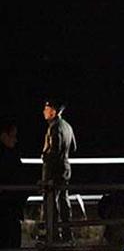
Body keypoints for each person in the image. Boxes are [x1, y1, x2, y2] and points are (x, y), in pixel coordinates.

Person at [41, 99, 76, 241]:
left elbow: (54, 151)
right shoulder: (68, 126)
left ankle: (53, 234)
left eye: (46, 109)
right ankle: (67, 233)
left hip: (54, 169)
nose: (44, 111)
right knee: (63, 200)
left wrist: (45, 155)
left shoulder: (55, 128)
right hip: (66, 168)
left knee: (51, 201)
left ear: (53, 111)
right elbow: (73, 147)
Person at [0, 119, 27, 251]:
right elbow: (20, 181)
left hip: (7, 210)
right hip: (9, 212)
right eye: (13, 136)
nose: (15, 140)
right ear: (4, 136)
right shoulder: (9, 158)